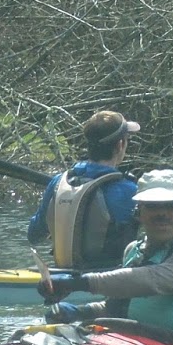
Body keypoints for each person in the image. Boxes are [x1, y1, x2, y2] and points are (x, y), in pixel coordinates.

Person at [37, 167, 173, 340]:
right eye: (152, 206)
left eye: (171, 205)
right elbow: (122, 306)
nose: (162, 213)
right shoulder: (134, 250)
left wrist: (77, 282)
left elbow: (146, 280)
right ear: (139, 212)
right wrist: (79, 312)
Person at [27, 110, 141, 270]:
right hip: (111, 280)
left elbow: (34, 235)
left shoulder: (58, 182)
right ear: (120, 145)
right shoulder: (130, 190)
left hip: (62, 275)